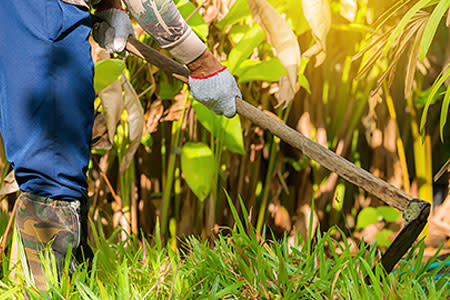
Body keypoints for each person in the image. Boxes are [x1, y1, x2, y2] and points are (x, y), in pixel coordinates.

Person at [0, 0, 241, 292]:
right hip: (42, 15)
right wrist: (202, 63)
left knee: (45, 167)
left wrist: (107, 6)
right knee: (51, 172)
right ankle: (52, 292)